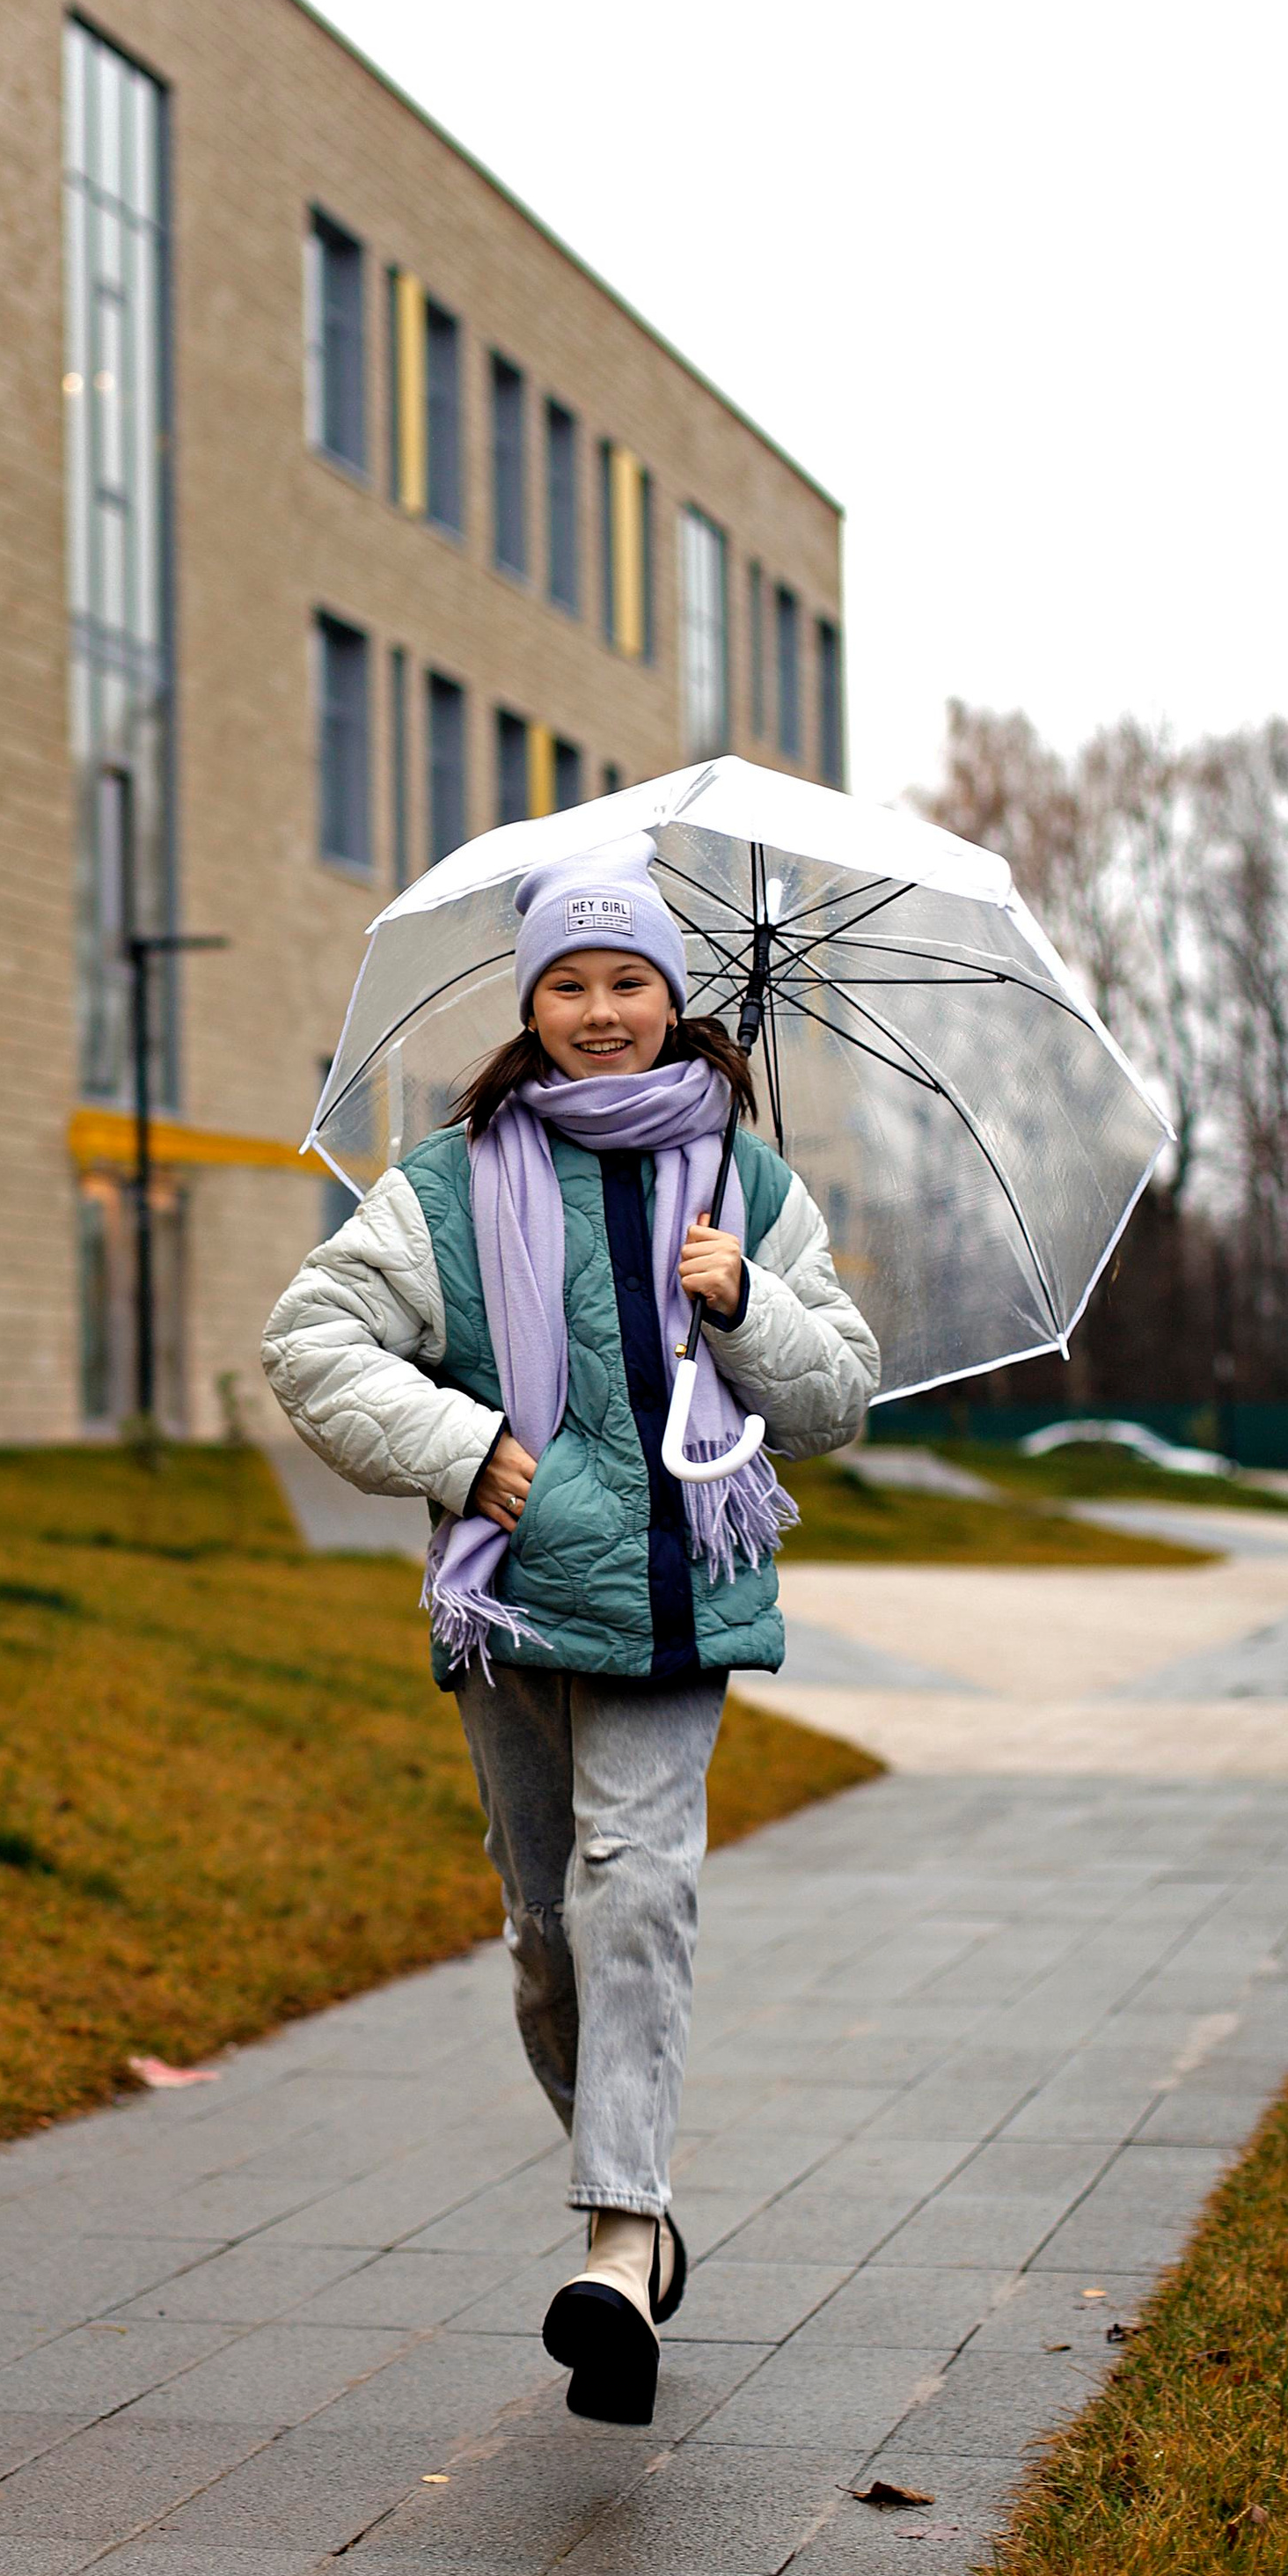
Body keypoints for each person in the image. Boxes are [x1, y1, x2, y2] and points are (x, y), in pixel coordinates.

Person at [262, 848, 878, 2426]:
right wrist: (462, 1448)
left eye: (629, 981)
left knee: (636, 1893)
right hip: (520, 1599)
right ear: (532, 1007)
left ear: (673, 999)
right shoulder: (448, 1185)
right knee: (548, 1934)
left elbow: (835, 1401)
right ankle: (643, 2214)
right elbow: (310, 1340)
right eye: (570, 984)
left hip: (682, 1602)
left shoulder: (752, 1189)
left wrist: (747, 1303)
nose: (602, 1010)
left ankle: (613, 2244)